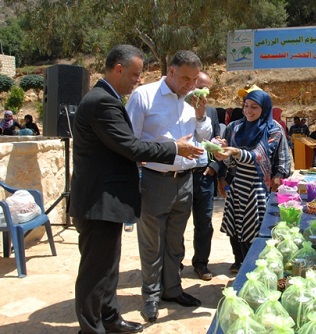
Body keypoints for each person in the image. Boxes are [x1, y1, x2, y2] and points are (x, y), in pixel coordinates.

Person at [69, 44, 204, 334]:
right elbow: (130, 146)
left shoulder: (108, 98)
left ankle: (110, 319)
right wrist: (173, 147)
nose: (138, 79)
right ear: (118, 69)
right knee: (95, 272)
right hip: (98, 201)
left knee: (108, 268)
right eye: (135, 73)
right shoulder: (102, 101)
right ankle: (91, 329)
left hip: (108, 202)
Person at [126, 50, 212, 322]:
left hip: (185, 181)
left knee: (175, 242)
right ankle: (150, 297)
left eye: (194, 79)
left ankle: (172, 289)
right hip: (154, 180)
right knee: (152, 244)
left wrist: (200, 116)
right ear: (171, 72)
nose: (190, 85)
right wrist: (173, 149)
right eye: (185, 78)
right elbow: (129, 142)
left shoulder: (193, 99)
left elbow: (204, 136)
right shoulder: (144, 96)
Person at [214, 90, 291, 273]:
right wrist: (222, 152)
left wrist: (235, 151)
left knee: (254, 228)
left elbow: (260, 155)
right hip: (237, 184)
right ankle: (239, 260)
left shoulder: (273, 129)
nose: (248, 111)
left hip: (258, 187)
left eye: (254, 107)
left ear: (264, 109)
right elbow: (231, 161)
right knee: (236, 225)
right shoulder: (235, 127)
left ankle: (254, 266)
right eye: (246, 106)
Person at [188, 71, 221, 281]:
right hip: (180, 175)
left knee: (204, 223)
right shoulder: (177, 109)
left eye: (207, 87)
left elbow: (218, 140)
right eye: (200, 85)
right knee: (176, 224)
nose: (203, 90)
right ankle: (174, 265)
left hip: (204, 175)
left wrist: (214, 166)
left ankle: (201, 264)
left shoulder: (211, 112)